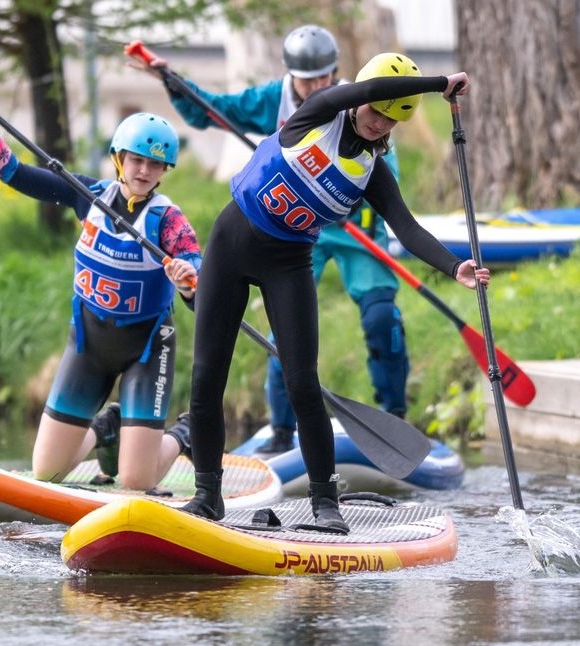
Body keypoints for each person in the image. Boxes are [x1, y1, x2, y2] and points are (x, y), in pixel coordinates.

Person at [179, 54, 488, 533]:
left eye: (390, 118)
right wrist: (439, 83)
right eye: (376, 110)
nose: (377, 122)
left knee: (303, 384)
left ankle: (326, 505)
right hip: (231, 245)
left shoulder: (373, 170)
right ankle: (207, 497)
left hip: (289, 264)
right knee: (205, 379)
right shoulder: (317, 112)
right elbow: (357, 95)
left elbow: (406, 227)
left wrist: (455, 265)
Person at [132, 26, 413, 457]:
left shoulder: (361, 108)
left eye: (324, 78)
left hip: (357, 228)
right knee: (285, 332)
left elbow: (381, 169)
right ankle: (282, 430)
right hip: (295, 233)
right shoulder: (270, 100)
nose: (316, 87)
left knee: (380, 316)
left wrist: (343, 196)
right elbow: (211, 110)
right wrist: (174, 82)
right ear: (290, 75)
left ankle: (394, 415)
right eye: (307, 80)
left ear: (336, 73)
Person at [0, 85, 201, 492]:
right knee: (47, 472)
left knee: (136, 482)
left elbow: (197, 273)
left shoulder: (169, 221)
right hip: (88, 348)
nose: (144, 172)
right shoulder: (89, 196)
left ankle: (183, 434)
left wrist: (188, 280)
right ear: (119, 159)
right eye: (137, 160)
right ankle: (105, 430)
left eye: (156, 166)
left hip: (147, 350)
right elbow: (11, 171)